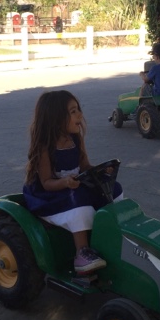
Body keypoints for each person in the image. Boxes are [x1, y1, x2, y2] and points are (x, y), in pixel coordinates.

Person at [23, 90, 123, 274]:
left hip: (75, 186)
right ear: (56, 118)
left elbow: (84, 166)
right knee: (79, 200)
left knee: (114, 188)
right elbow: (46, 182)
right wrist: (65, 183)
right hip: (52, 194)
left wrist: (101, 171)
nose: (80, 115)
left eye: (78, 109)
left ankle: (111, 236)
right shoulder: (45, 147)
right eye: (73, 111)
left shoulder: (76, 139)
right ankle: (81, 253)